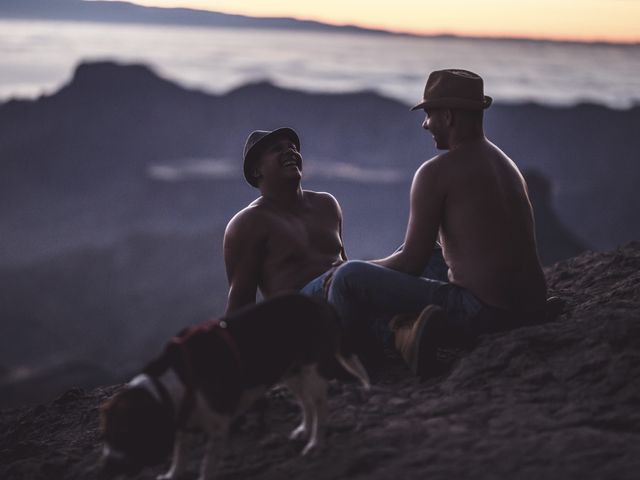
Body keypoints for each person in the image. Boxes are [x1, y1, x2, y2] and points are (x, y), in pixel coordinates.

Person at [321, 69, 552, 376]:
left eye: (429, 114)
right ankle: (401, 330)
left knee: (348, 277)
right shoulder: (506, 165)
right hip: (532, 307)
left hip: (485, 315)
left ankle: (349, 368)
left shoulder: (435, 172)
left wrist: (353, 268)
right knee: (432, 252)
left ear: (448, 116)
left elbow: (409, 264)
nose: (425, 124)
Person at [223, 127, 346, 314]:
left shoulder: (326, 204)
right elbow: (240, 301)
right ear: (256, 170)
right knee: (350, 274)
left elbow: (344, 263)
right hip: (299, 316)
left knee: (404, 255)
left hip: (344, 298)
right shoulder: (249, 222)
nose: (290, 152)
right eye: (277, 149)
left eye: (292, 147)